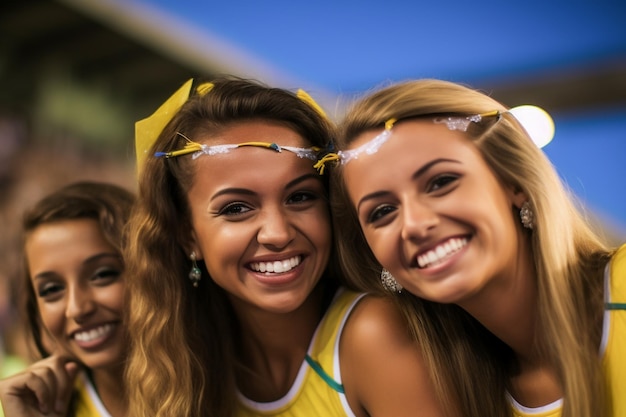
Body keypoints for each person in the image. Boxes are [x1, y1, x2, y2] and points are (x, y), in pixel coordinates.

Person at [125, 76, 448, 417]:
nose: (277, 234)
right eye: (237, 208)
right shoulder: (179, 364)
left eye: (300, 197)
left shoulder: (374, 334)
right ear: (187, 235)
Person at [324, 78, 625, 417]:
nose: (415, 224)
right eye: (382, 212)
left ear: (514, 181)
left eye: (441, 182)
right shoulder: (455, 397)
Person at [0, 181, 134, 417]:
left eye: (102, 275)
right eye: (51, 290)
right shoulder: (41, 407)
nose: (76, 309)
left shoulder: (214, 379)